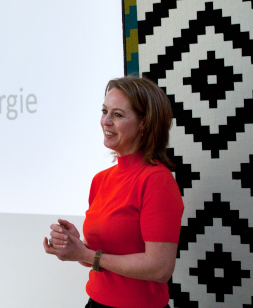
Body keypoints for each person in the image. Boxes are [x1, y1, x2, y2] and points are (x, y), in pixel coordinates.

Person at [43, 76, 183, 308]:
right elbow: (108, 255)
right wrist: (76, 247)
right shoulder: (101, 180)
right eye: (104, 111)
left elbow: (160, 268)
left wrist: (87, 255)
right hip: (96, 303)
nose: (105, 121)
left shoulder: (157, 180)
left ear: (144, 123)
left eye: (117, 115)